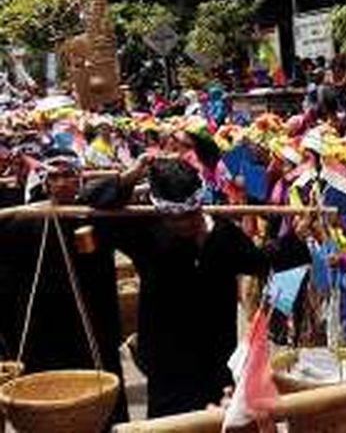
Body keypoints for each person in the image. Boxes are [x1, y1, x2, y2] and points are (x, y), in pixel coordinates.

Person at [85, 156, 310, 418]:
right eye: (175, 218)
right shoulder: (143, 232)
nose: (184, 225)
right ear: (159, 209)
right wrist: (133, 174)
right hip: (166, 360)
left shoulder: (223, 234)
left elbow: (258, 262)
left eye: (191, 215)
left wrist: (295, 238)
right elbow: (91, 200)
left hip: (215, 356)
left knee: (217, 422)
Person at [0, 148, 128, 423]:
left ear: (79, 179)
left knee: (101, 396)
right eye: (54, 177)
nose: (61, 183)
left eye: (68, 175)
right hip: (47, 325)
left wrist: (130, 176)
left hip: (92, 320)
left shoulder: (95, 213)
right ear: (45, 182)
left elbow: (115, 192)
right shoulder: (27, 219)